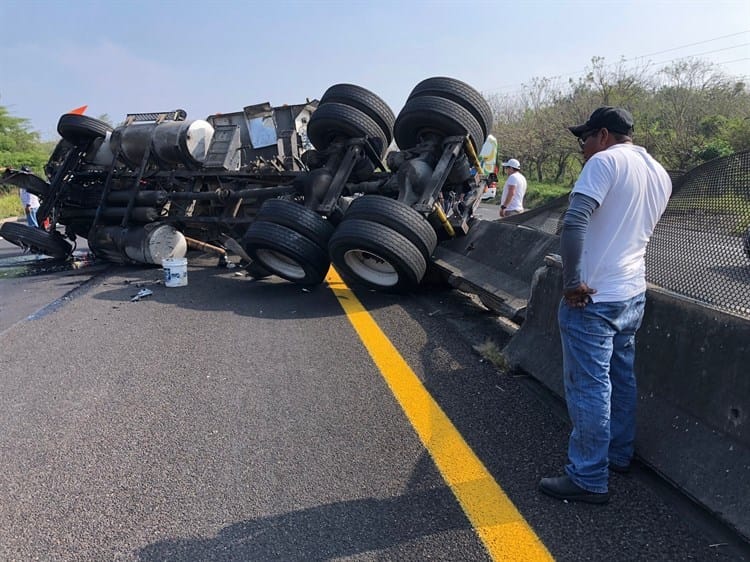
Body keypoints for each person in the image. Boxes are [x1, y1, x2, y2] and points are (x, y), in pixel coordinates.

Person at [538, 107, 672, 504]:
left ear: (603, 135)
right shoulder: (659, 173)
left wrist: (571, 282)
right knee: (622, 378)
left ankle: (588, 477)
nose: (583, 149)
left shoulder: (604, 162)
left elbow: (575, 221)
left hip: (593, 297)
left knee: (589, 387)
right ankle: (617, 454)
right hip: (631, 294)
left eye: (584, 140)